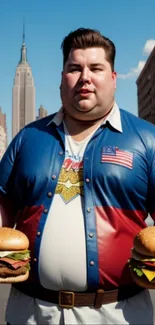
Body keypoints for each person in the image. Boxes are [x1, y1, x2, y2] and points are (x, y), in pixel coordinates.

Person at [0, 27, 155, 325]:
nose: (85, 76)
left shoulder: (147, 140)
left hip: (118, 314)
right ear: (62, 77)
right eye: (74, 68)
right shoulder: (27, 138)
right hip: (31, 313)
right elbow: (3, 205)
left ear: (113, 78)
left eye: (96, 68)